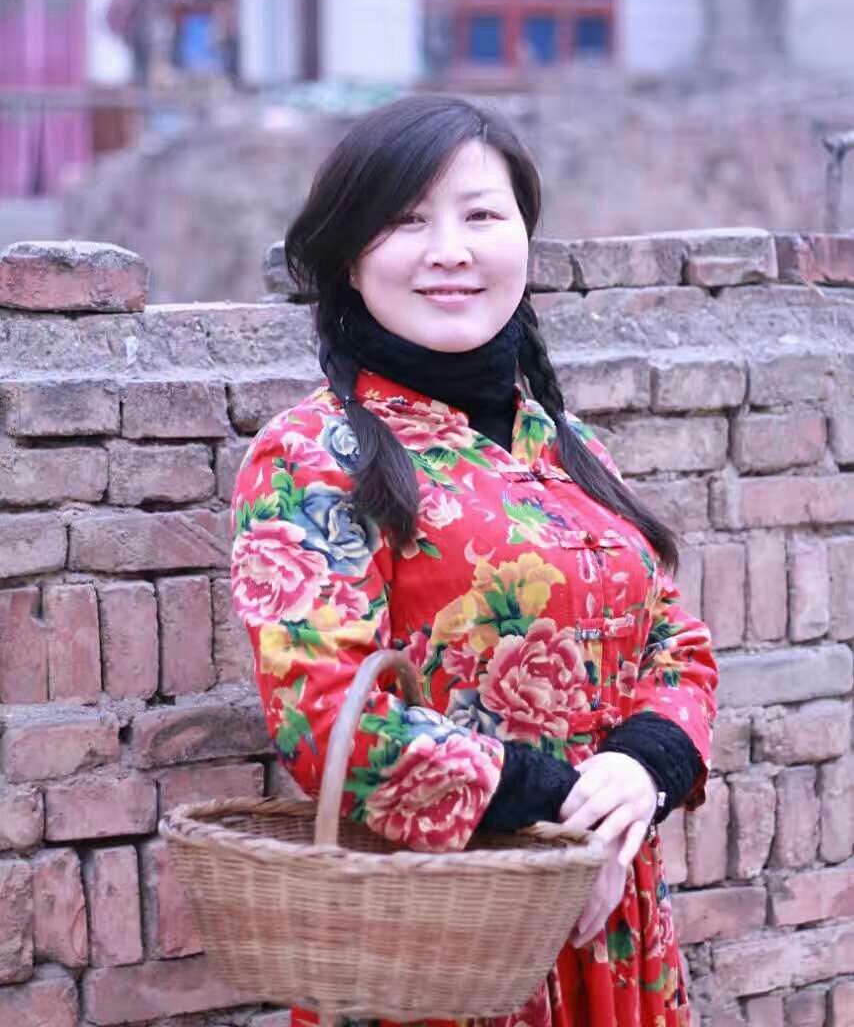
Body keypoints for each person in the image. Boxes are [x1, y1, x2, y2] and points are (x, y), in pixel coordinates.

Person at [230, 95, 719, 1027]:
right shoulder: (312, 454)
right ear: (349, 256)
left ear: (525, 242)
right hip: (444, 933)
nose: (450, 250)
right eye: (407, 220)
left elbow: (676, 644)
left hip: (611, 927)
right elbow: (326, 717)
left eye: (481, 215)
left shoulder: (566, 443)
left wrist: (646, 766)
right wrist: (562, 803)